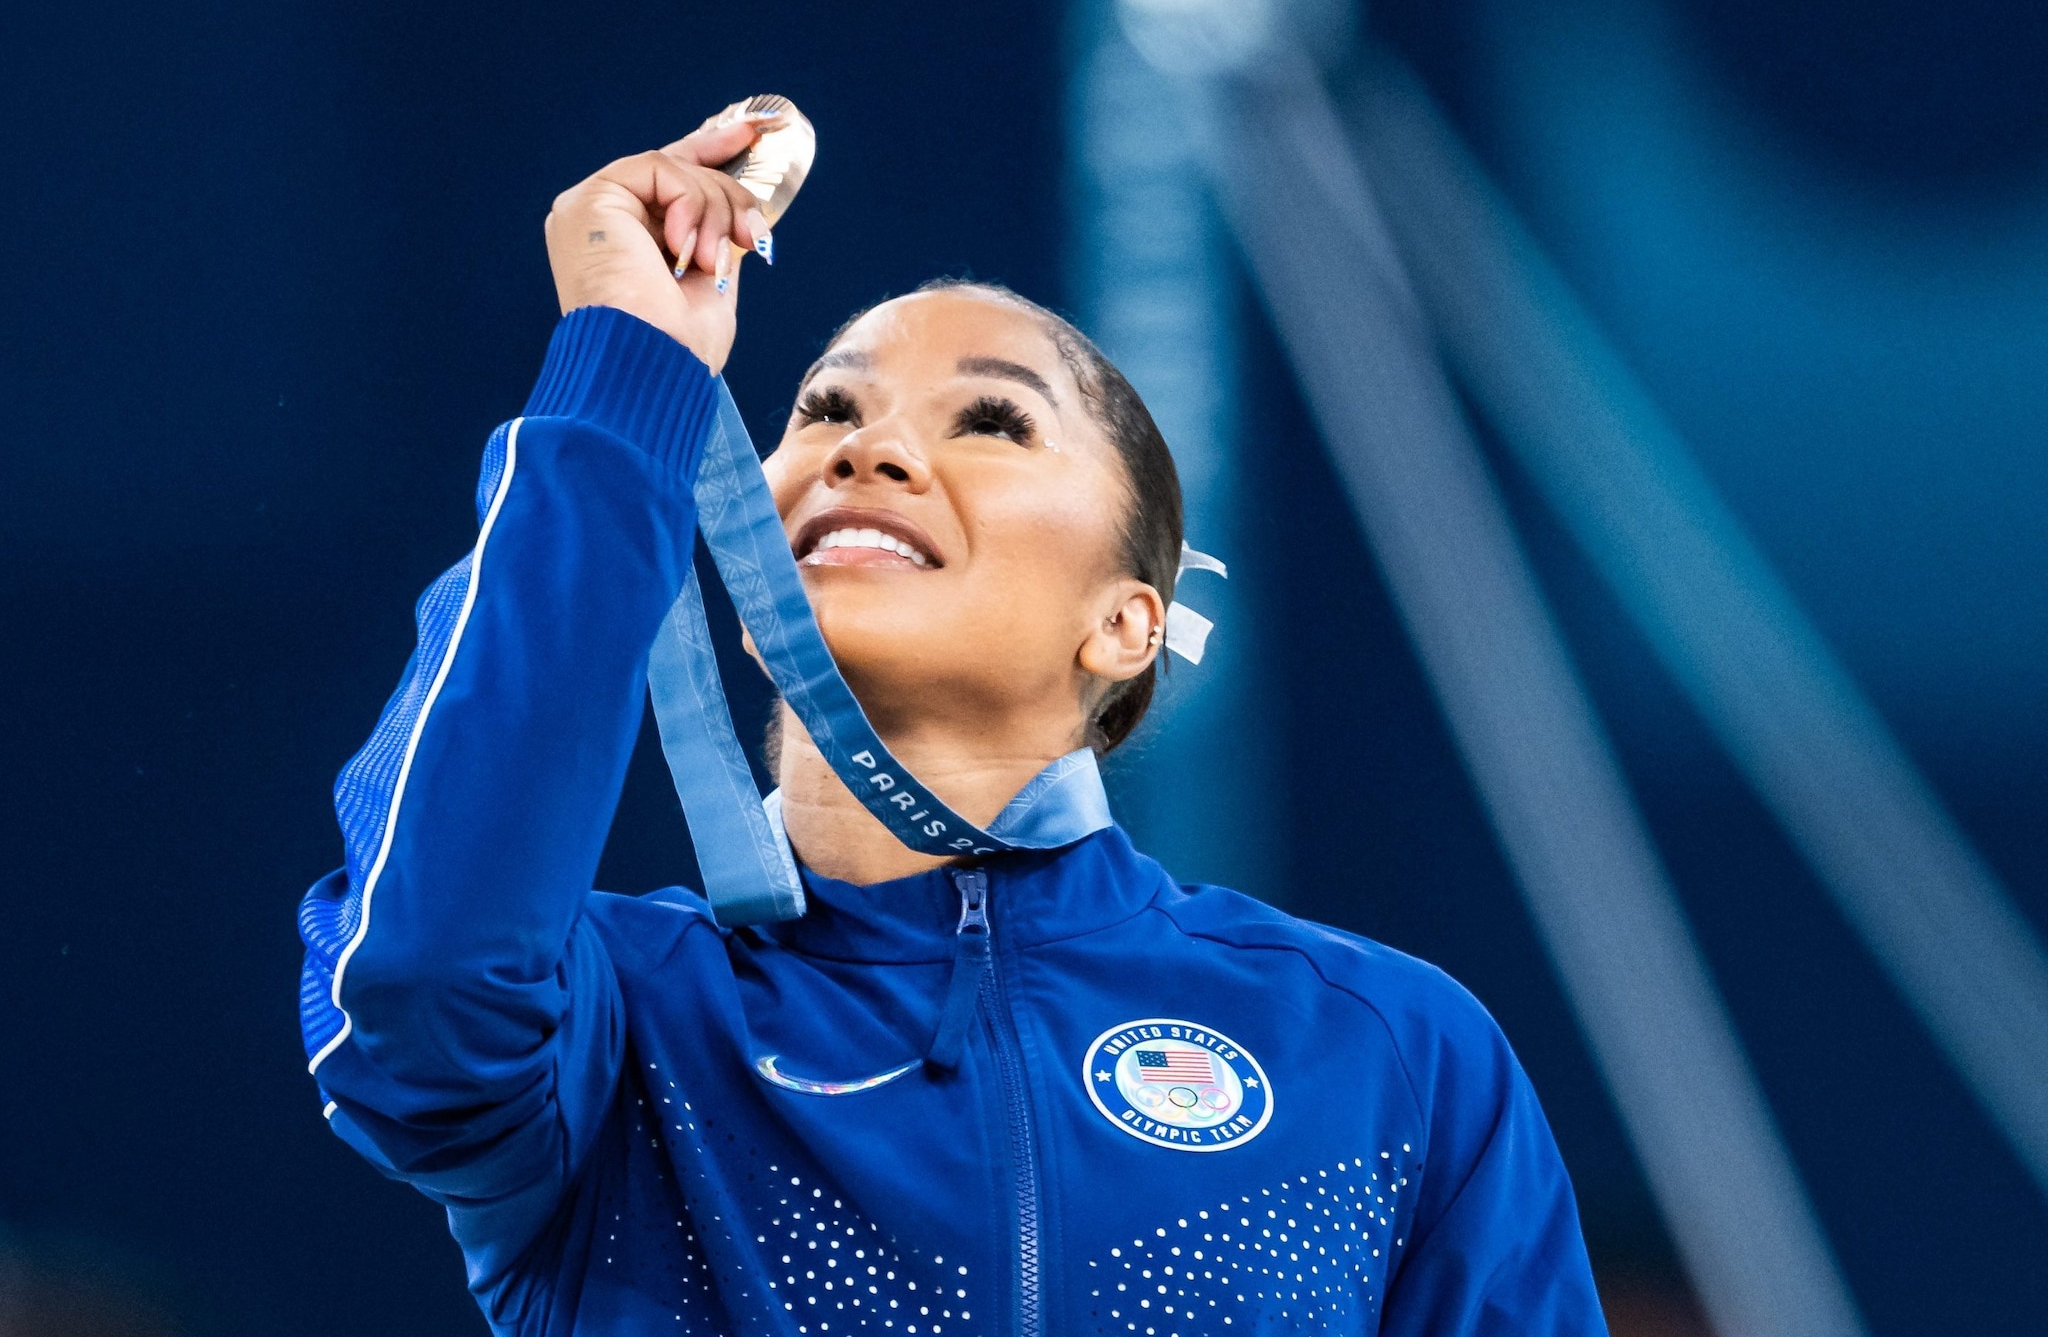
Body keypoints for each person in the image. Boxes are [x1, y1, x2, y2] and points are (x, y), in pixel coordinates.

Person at [296, 110, 1607, 1337]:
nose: (866, 454)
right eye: (823, 412)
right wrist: (623, 370)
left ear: (1127, 623)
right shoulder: (628, 1028)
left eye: (992, 421)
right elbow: (413, 991)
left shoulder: (1386, 1052)